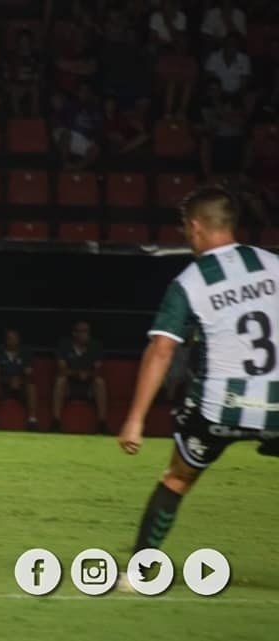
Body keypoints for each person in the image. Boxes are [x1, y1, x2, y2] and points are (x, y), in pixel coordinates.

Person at [117, 186, 279, 587]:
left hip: (220, 408)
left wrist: (135, 419)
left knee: (177, 478)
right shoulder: (272, 264)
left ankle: (140, 573)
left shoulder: (190, 282)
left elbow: (161, 350)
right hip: (277, 406)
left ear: (195, 227)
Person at [0, 328, 38, 430]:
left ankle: (32, 420)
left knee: (31, 387)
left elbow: (29, 373)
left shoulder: (25, 352)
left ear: (18, 339)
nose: (12, 341)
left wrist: (19, 381)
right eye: (9, 338)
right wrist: (9, 381)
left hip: (21, 387)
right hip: (3, 386)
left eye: (14, 338)